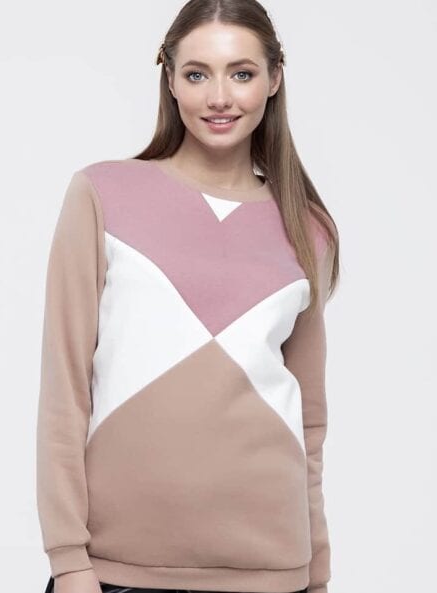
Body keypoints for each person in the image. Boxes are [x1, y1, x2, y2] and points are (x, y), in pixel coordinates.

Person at [35, 1, 340, 593]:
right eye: (197, 74)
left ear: (274, 79)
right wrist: (68, 559)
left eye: (242, 73)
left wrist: (318, 573)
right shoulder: (103, 193)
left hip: (272, 569)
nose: (219, 97)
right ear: (170, 79)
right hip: (118, 568)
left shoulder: (308, 226)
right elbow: (64, 390)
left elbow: (309, 421)